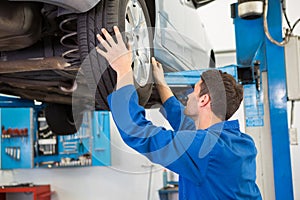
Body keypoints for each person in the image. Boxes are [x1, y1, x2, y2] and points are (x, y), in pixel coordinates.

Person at [96, 26, 262, 200]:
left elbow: (137, 132)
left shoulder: (206, 149)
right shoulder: (242, 143)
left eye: (194, 91)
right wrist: (160, 83)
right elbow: (185, 124)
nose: (189, 95)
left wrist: (123, 69)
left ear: (204, 100)